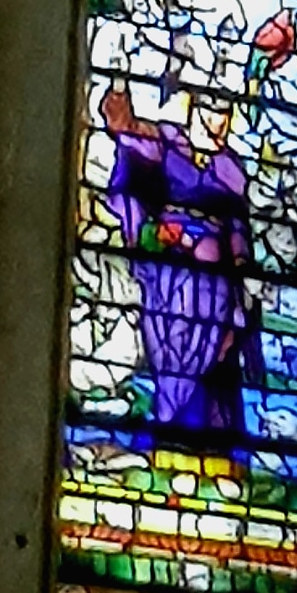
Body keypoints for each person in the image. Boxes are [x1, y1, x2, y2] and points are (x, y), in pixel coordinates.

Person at [101, 79, 255, 437]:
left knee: (208, 340)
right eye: (211, 112)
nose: (218, 123)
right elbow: (139, 141)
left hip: (214, 276)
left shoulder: (231, 168)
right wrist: (124, 123)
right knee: (169, 336)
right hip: (168, 264)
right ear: (194, 109)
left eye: (225, 115)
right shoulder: (170, 142)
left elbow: (237, 224)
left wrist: (241, 263)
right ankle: (167, 414)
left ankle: (194, 426)